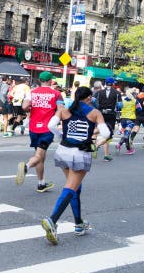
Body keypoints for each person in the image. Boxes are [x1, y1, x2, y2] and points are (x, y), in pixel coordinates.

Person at [41, 86, 111, 245]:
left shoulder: (64, 110)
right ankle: (52, 220)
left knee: (75, 187)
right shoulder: (95, 113)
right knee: (71, 187)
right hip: (80, 153)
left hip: (63, 150)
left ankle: (79, 224)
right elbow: (106, 134)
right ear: (89, 97)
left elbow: (51, 126)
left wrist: (60, 136)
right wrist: (98, 143)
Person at [17, 71, 62, 192]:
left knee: (41, 156)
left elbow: (24, 107)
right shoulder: (56, 93)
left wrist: (34, 106)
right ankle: (25, 167)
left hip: (33, 128)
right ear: (50, 81)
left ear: (40, 81)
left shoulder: (32, 92)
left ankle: (41, 184)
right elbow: (61, 110)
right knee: (39, 156)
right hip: (47, 128)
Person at [93, 77, 121, 161]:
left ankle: (106, 154)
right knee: (109, 134)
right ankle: (97, 146)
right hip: (111, 115)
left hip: (100, 114)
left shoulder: (99, 92)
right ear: (113, 84)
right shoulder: (117, 93)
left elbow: (93, 101)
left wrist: (98, 108)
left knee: (98, 130)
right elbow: (120, 105)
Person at [118, 88, 138, 155]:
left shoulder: (122, 101)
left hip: (123, 119)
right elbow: (139, 109)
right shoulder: (135, 101)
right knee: (127, 135)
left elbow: (118, 108)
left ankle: (127, 148)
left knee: (126, 133)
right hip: (131, 119)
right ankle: (120, 144)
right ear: (133, 94)